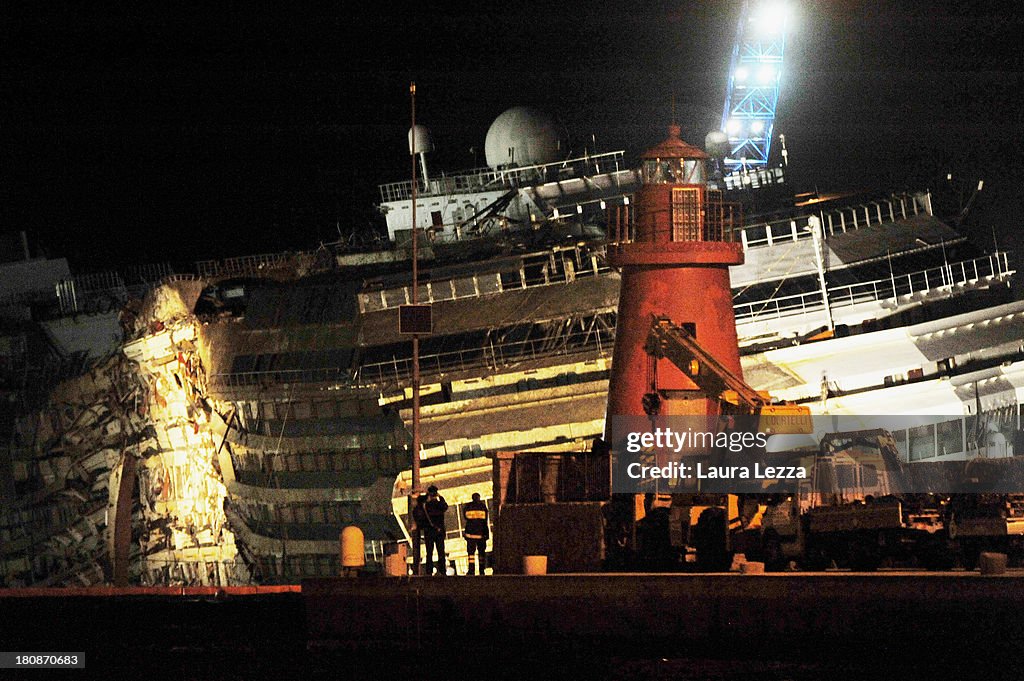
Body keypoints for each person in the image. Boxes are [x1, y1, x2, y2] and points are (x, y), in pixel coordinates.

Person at [423, 485, 449, 575]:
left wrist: (426, 498)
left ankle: (429, 571)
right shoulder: (440, 504)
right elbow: (446, 506)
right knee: (441, 552)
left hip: (429, 532)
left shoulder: (426, 505)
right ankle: (442, 570)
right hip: (439, 531)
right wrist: (440, 497)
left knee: (429, 553)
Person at [463, 492, 489, 575]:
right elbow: (485, 521)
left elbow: (465, 517)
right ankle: (482, 570)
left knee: (471, 554)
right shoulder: (483, 506)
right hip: (481, 534)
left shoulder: (468, 506)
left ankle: (471, 570)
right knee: (481, 553)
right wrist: (486, 533)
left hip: (470, 535)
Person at [410, 492, 429, 575]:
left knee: (417, 552)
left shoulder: (416, 509)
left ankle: (416, 570)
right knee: (418, 551)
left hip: (417, 531)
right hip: (418, 531)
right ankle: (417, 570)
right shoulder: (421, 510)